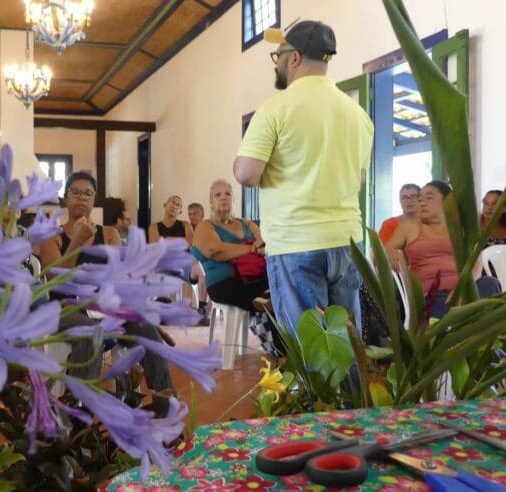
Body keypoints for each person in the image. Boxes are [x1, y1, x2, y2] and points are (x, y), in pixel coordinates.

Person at [233, 20, 374, 334]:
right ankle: (350, 387)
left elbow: (246, 174)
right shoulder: (357, 114)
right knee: (346, 341)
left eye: (278, 57)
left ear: (294, 58)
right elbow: (359, 181)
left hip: (296, 242)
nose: (277, 65)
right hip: (348, 242)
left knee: (310, 347)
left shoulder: (276, 108)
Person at [40, 172, 175, 415]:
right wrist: (77, 242)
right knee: (92, 334)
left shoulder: (110, 234)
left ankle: (166, 413)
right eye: (76, 192)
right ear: (66, 199)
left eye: (88, 193)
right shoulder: (53, 236)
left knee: (147, 331)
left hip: (104, 307)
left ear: (94, 201)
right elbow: (56, 281)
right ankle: (79, 420)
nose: (82, 198)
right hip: (64, 309)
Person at [384, 181, 500, 318]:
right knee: (444, 303)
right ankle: (465, 331)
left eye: (429, 197)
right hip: (431, 294)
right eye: (420, 199)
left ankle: (475, 330)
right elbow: (385, 250)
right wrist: (391, 253)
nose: (422, 202)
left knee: (490, 283)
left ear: (447, 201)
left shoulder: (462, 229)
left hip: (465, 290)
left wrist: (462, 288)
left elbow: (476, 264)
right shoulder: (409, 226)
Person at [192, 179, 281, 356]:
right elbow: (214, 250)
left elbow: (264, 242)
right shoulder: (205, 226)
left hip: (254, 278)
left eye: (228, 194)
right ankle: (282, 355)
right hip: (223, 283)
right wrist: (249, 248)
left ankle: (284, 350)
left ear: (233, 199)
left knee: (280, 295)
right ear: (210, 201)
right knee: (268, 301)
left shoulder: (246, 223)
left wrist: (248, 247)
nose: (223, 198)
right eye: (218, 195)